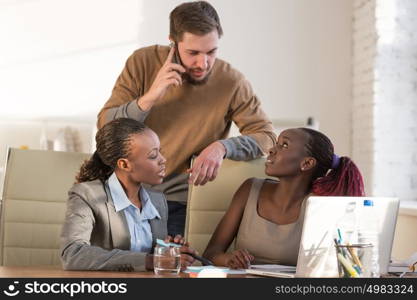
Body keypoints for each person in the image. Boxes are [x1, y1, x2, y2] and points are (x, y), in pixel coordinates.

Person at [97, 1, 276, 236]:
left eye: (211, 52)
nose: (203, 63)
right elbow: (106, 125)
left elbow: (267, 137)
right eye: (193, 53)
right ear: (173, 42)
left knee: (163, 266)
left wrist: (222, 147)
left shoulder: (231, 81)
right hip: (124, 193)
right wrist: (149, 98)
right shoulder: (142, 62)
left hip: (177, 202)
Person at [203, 127, 365, 269]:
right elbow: (210, 254)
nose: (272, 150)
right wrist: (228, 260)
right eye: (277, 143)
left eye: (284, 145)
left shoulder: (320, 206)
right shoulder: (249, 189)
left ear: (307, 163)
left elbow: (340, 265)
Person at [60, 118, 195, 271]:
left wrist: (169, 251)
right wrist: (152, 261)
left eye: (160, 152)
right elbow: (72, 254)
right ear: (124, 164)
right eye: (153, 156)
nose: (163, 160)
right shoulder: (87, 195)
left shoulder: (157, 200)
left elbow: (152, 256)